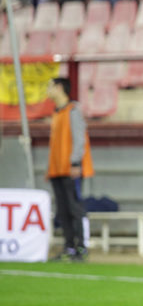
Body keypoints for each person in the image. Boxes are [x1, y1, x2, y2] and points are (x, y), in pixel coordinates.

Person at [46, 77, 94, 263]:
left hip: (71, 169)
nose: (47, 90)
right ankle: (69, 247)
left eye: (50, 86)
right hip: (57, 169)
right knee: (63, 210)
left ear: (59, 88)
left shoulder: (73, 111)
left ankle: (81, 247)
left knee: (75, 208)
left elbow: (79, 139)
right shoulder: (57, 113)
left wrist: (75, 163)